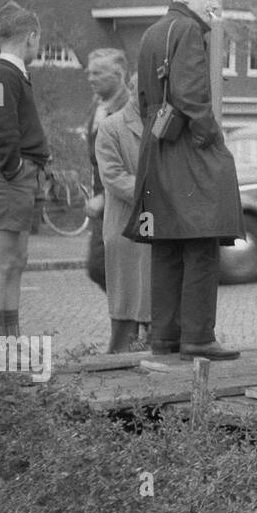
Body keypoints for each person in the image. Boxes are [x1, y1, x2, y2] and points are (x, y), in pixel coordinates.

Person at [123, 0, 244, 360]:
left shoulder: (151, 33)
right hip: (189, 149)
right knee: (202, 244)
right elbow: (192, 97)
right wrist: (213, 139)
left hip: (157, 147)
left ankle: (164, 338)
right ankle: (198, 339)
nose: (214, 2)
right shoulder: (189, 31)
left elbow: (145, 100)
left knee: (167, 246)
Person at [0, 2, 49, 344]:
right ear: (31, 37)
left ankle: (10, 342)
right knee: (1, 262)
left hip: (17, 177)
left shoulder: (12, 75)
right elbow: (2, 132)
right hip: (9, 176)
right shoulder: (3, 76)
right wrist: (16, 170)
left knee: (16, 260)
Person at [94, 72, 151, 352]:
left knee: (156, 308)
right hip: (125, 228)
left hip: (158, 230)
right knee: (126, 308)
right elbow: (113, 177)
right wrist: (155, 193)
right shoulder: (111, 127)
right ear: (130, 87)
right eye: (143, 88)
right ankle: (117, 367)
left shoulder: (162, 125)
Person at [82, 49, 132, 293]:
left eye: (98, 73)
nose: (91, 78)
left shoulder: (130, 111)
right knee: (101, 268)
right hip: (103, 203)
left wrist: (104, 196)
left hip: (121, 202)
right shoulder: (97, 105)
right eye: (89, 73)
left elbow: (131, 162)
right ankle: (132, 325)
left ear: (118, 74)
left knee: (110, 267)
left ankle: (137, 324)